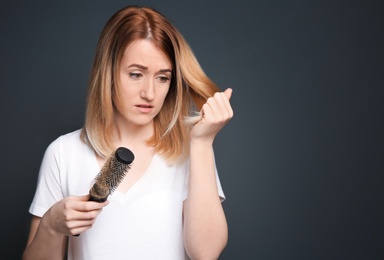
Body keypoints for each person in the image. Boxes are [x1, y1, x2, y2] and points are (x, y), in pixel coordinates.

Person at [23, 5, 233, 260]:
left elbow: (206, 253)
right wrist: (52, 225)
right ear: (108, 72)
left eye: (163, 78)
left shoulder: (189, 153)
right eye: (136, 74)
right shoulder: (63, 153)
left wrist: (202, 144)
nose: (149, 93)